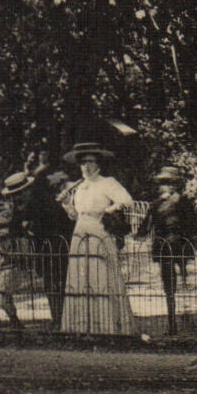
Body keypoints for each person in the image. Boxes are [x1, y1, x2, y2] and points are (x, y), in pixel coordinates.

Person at [58, 142, 135, 335]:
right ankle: (82, 326)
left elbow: (126, 201)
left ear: (98, 163)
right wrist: (67, 205)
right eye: (83, 163)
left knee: (99, 275)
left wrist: (107, 211)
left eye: (90, 162)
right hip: (80, 231)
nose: (86, 166)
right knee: (80, 277)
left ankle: (106, 326)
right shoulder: (80, 186)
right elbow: (76, 215)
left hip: (98, 231)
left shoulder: (107, 182)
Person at [136, 165, 197, 334]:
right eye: (164, 183)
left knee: (185, 283)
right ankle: (172, 324)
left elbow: (194, 225)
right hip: (163, 248)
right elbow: (145, 228)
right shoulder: (156, 205)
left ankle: (188, 318)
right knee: (169, 286)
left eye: (171, 183)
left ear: (176, 185)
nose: (167, 186)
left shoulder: (184, 202)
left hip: (180, 246)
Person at [10, 157, 72, 327]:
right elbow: (16, 226)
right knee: (51, 283)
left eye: (21, 193)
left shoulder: (44, 201)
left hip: (56, 246)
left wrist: (30, 228)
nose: (19, 198)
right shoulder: (23, 204)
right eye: (16, 195)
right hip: (43, 248)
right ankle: (58, 318)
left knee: (57, 282)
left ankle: (62, 319)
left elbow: (58, 224)